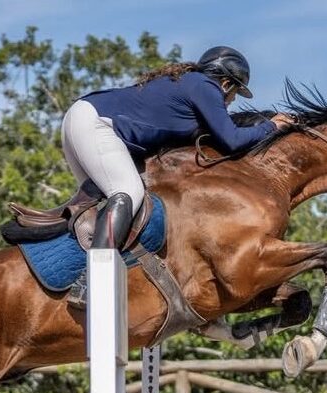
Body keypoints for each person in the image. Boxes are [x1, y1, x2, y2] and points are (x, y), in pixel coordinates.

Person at [61, 45, 289, 252]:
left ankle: (78, 275)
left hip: (84, 117)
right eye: (234, 94)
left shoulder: (189, 84)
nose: (231, 101)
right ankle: (98, 280)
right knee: (128, 193)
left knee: (98, 212)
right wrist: (272, 126)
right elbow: (232, 140)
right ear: (226, 84)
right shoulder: (206, 86)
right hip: (95, 124)